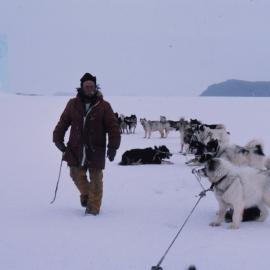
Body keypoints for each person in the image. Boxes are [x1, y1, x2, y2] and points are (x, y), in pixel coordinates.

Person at [53, 73, 121, 215]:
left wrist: (113, 146)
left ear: (95, 87)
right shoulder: (72, 104)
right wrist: (57, 139)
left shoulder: (104, 106)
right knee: (75, 173)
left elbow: (113, 127)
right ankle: (86, 194)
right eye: (87, 86)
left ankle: (93, 208)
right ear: (82, 87)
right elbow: (63, 121)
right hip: (75, 147)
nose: (89, 88)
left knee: (96, 178)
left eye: (92, 86)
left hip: (96, 148)